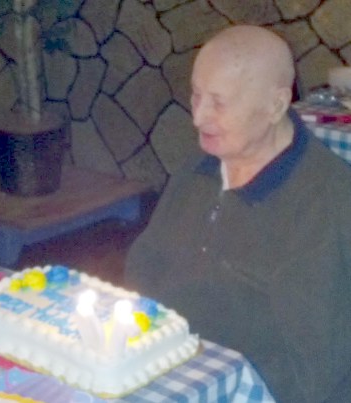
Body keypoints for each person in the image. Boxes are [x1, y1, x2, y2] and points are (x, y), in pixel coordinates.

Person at [124, 25, 351, 402]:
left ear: (276, 105)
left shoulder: (326, 201)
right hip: (165, 372)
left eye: (219, 102)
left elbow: (310, 374)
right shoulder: (199, 169)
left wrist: (203, 379)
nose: (198, 117)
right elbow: (145, 268)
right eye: (196, 96)